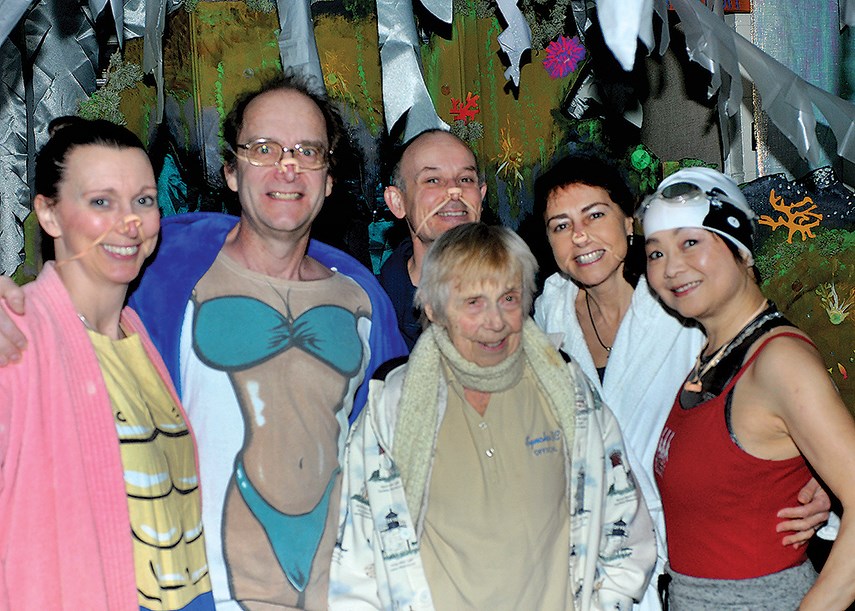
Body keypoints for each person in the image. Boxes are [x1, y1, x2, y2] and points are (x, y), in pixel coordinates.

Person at [0, 74, 406, 609]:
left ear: (329, 179)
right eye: (263, 148)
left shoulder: (365, 303)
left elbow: (390, 458)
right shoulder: (161, 279)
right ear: (231, 172)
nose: (287, 166)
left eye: (308, 151)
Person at [532, 155, 831, 610]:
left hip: (703, 552)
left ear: (629, 220)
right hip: (598, 560)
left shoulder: (683, 300)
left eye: (595, 214)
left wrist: (815, 473)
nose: (579, 236)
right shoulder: (548, 312)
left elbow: (770, 389)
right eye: (560, 225)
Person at [330, 222, 657, 610]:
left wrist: (609, 603)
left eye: (508, 298)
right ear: (432, 308)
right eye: (473, 303)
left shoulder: (568, 391)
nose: (495, 321)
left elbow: (625, 522)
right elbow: (354, 560)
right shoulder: (391, 407)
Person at [0, 118, 213, 610]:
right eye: (101, 202)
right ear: (49, 216)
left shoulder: (143, 336)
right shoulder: (19, 337)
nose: (130, 221)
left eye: (143, 200)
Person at [642, 168, 855, 610]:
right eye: (655, 253)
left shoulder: (779, 362)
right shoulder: (710, 357)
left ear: (741, 250)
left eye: (691, 243)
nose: (672, 267)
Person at [378, 129, 486, 350]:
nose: (454, 190)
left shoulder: (519, 295)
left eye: (465, 179)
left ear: (481, 197)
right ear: (397, 202)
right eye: (433, 180)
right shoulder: (373, 307)